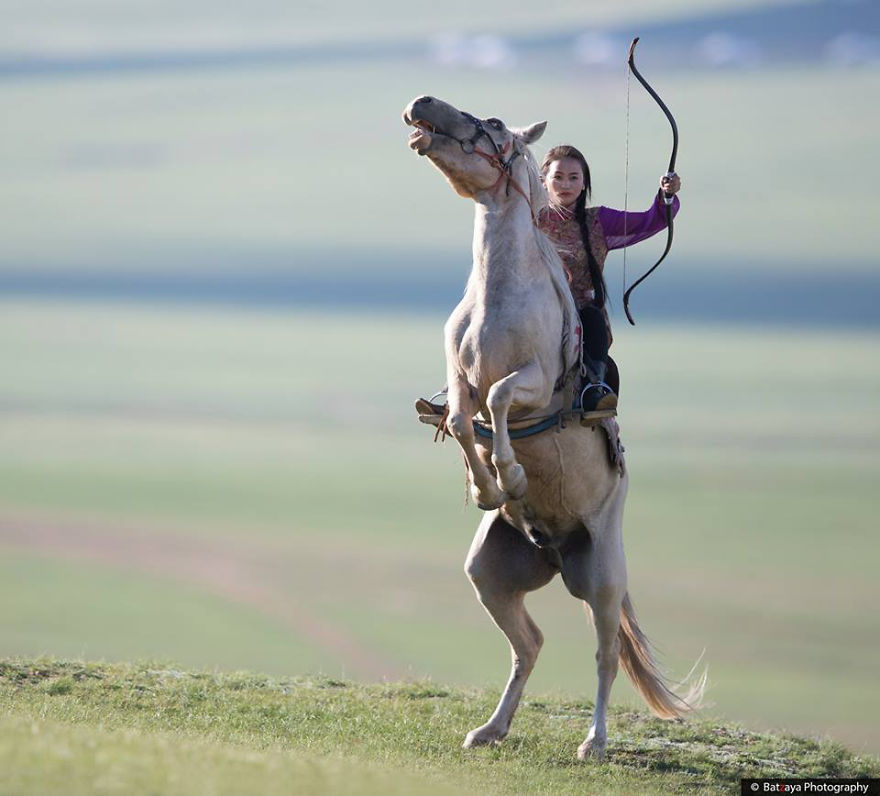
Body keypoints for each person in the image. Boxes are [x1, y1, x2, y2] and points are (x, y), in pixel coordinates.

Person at [415, 143, 681, 425]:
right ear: (543, 182)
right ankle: (459, 394)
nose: (565, 184)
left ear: (584, 184)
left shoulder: (600, 221)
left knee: (592, 321)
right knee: (479, 325)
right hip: (529, 311)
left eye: (573, 178)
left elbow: (650, 221)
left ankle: (594, 388)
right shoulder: (528, 219)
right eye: (558, 177)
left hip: (577, 315)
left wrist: (666, 196)